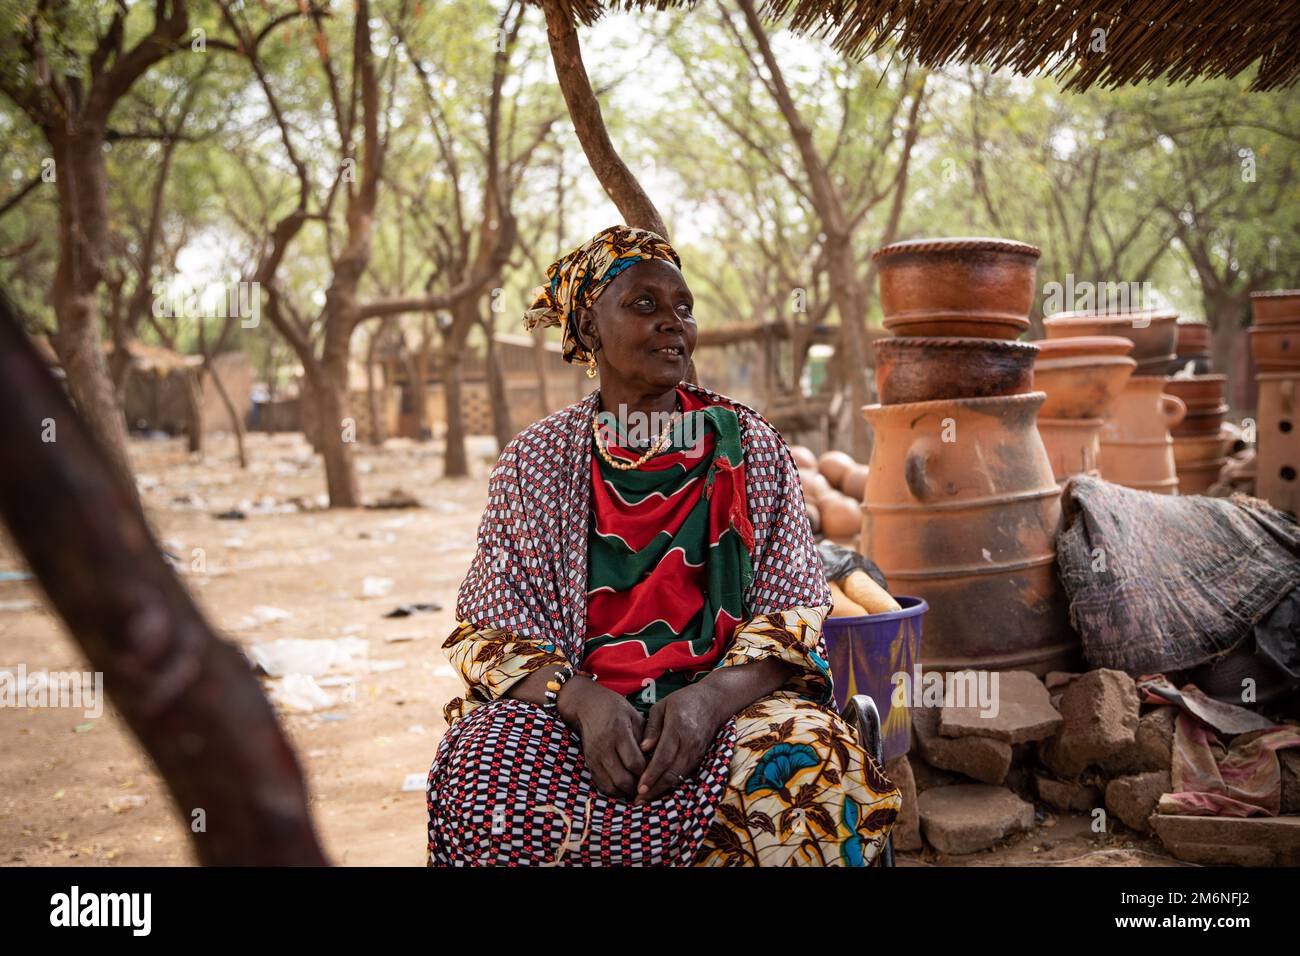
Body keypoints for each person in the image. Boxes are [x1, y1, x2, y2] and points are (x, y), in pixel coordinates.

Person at [426, 224, 900, 866]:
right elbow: (489, 627)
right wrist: (584, 702)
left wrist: (706, 701)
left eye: (684, 308)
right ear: (591, 330)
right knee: (482, 772)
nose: (673, 323)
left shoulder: (753, 449)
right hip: (577, 718)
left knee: (808, 765)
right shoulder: (536, 461)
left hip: (725, 711)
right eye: (643, 305)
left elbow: (791, 618)